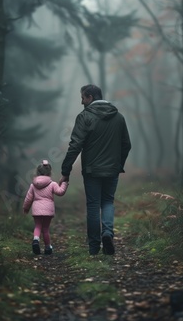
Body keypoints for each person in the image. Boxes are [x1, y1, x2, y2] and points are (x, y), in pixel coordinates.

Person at [59, 84, 131, 255]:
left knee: (93, 205)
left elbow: (75, 145)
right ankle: (107, 233)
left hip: (92, 170)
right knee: (107, 202)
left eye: (83, 97)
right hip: (112, 170)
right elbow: (126, 145)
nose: (81, 101)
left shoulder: (84, 117)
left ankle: (93, 248)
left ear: (90, 97)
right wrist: (118, 164)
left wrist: (65, 171)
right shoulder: (118, 117)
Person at [23, 159, 68, 255]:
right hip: (48, 210)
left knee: (38, 226)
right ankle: (48, 248)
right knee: (46, 229)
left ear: (37, 172)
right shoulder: (52, 184)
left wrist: (26, 208)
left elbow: (28, 198)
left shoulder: (33, 185)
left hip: (36, 209)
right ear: (49, 172)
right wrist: (64, 183)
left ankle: (36, 240)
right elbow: (60, 192)